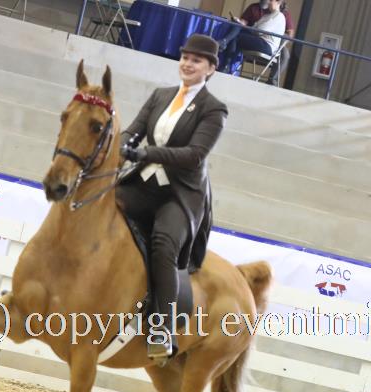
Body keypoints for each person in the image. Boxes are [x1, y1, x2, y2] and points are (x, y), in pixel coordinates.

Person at [117, 33, 228, 362]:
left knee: (164, 244)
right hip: (143, 183)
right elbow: (133, 131)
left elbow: (194, 155)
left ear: (210, 68)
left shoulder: (213, 109)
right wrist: (120, 145)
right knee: (95, 209)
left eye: (196, 60)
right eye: (185, 58)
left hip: (179, 194)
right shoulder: (160, 95)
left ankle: (161, 329)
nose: (188, 64)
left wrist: (145, 153)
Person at [216, 0, 287, 74]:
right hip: (260, 40)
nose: (268, 2)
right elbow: (255, 28)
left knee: (237, 36)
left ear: (278, 2)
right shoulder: (267, 15)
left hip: (267, 45)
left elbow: (260, 30)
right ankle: (226, 60)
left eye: (271, 0)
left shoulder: (279, 16)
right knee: (236, 27)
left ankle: (224, 50)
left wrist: (245, 26)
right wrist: (240, 24)